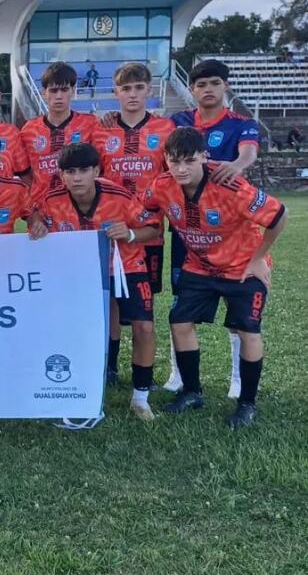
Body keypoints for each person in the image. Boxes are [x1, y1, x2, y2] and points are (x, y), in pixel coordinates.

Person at [141, 127, 287, 428]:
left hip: (242, 267)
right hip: (200, 267)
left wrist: (258, 259)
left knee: (248, 330)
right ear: (166, 159)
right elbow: (145, 209)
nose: (181, 169)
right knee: (180, 321)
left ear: (204, 157)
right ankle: (192, 392)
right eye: (174, 161)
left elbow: (279, 215)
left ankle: (247, 404)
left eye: (189, 161)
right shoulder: (161, 186)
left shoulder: (230, 185)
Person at [40, 143, 162, 420]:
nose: (77, 178)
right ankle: (83, 384)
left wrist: (130, 234)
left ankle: (140, 398)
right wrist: (38, 227)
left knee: (144, 327)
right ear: (61, 175)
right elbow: (41, 228)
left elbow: (154, 227)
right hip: (82, 272)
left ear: (96, 171)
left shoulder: (118, 196)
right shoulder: (52, 201)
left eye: (84, 170)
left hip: (126, 267)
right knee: (77, 329)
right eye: (70, 172)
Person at [165, 59, 260, 397]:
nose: (208, 89)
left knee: (239, 315)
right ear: (192, 89)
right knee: (181, 305)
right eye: (201, 84)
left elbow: (248, 155)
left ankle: (238, 378)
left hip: (231, 232)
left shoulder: (241, 124)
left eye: (215, 83)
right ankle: (179, 374)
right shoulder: (177, 122)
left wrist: (235, 166)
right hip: (189, 232)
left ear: (225, 86)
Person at [91, 63, 176, 384]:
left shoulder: (165, 128)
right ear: (116, 93)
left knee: (144, 305)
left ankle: (144, 372)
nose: (132, 94)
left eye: (139, 88)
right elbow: (94, 174)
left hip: (148, 230)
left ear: (149, 90)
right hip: (109, 229)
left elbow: (173, 173)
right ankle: (110, 367)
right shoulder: (102, 130)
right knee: (111, 301)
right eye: (126, 89)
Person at [20, 62, 98, 204]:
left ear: (73, 90)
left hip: (80, 206)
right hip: (42, 207)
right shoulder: (29, 129)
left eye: (64, 89)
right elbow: (24, 172)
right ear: (44, 92)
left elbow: (99, 166)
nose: (59, 96)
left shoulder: (90, 124)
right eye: (54, 91)